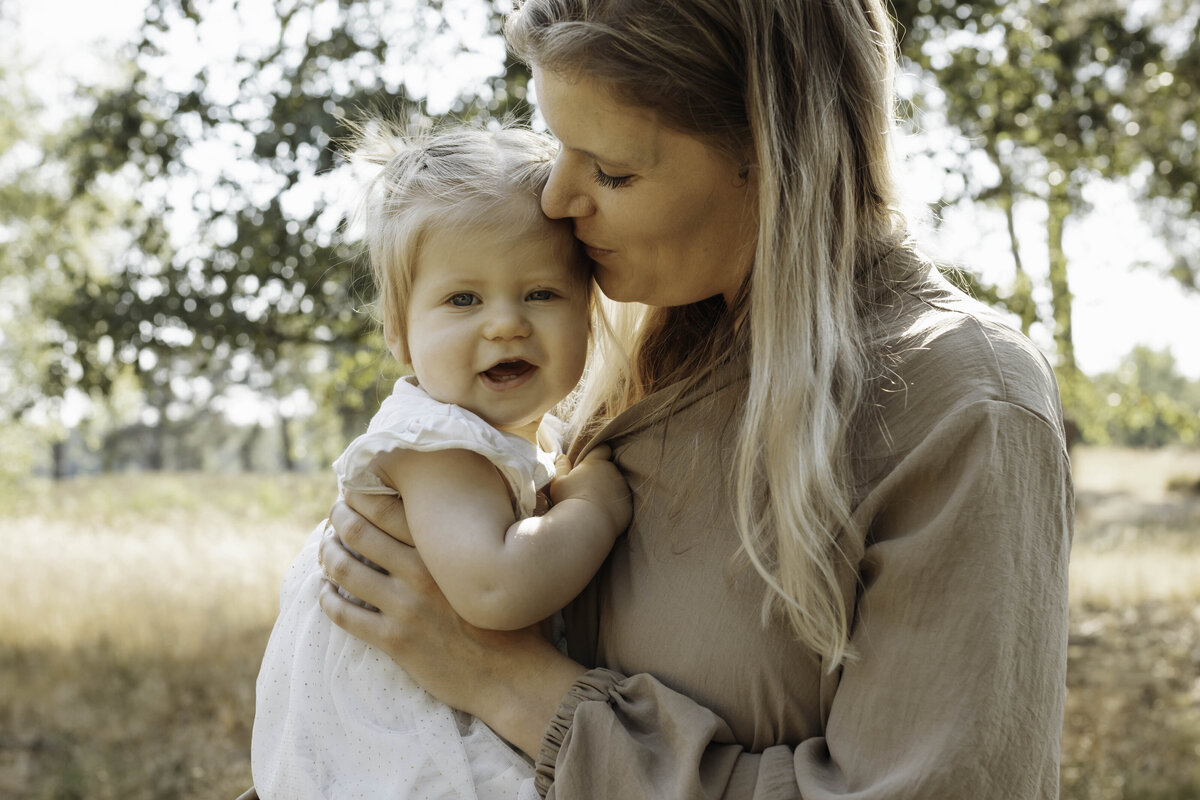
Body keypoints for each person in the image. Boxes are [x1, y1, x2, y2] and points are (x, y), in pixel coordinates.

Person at [309, 1, 1073, 798]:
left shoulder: (962, 405)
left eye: (611, 170)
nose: (556, 199)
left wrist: (506, 684)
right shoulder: (612, 370)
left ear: (775, 156)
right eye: (559, 150)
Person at [249, 124, 631, 800]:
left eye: (541, 293)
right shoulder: (437, 445)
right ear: (399, 332)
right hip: (398, 761)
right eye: (464, 299)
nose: (506, 323)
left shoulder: (510, 439)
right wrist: (596, 505)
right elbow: (495, 590)